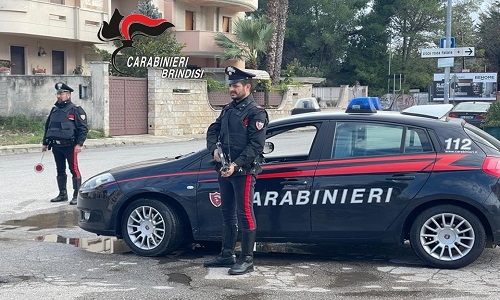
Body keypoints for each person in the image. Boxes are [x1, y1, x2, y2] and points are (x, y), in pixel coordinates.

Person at [204, 66, 268, 275]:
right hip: (224, 170)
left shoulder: (256, 112)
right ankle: (226, 254)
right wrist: (213, 149)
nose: (231, 88)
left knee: (245, 213)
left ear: (247, 87)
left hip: (244, 171)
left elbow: (255, 146)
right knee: (227, 213)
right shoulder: (228, 109)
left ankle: (247, 260)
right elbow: (213, 130)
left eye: (235, 85)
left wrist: (236, 165)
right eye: (230, 85)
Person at [42, 82, 88, 205]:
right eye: (58, 94)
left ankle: (76, 195)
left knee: (74, 169)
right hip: (56, 146)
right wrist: (45, 143)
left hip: (70, 145)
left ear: (68, 94)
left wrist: (79, 144)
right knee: (60, 170)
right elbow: (48, 127)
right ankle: (62, 194)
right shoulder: (54, 109)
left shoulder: (76, 109)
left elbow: (83, 129)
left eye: (61, 94)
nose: (59, 96)